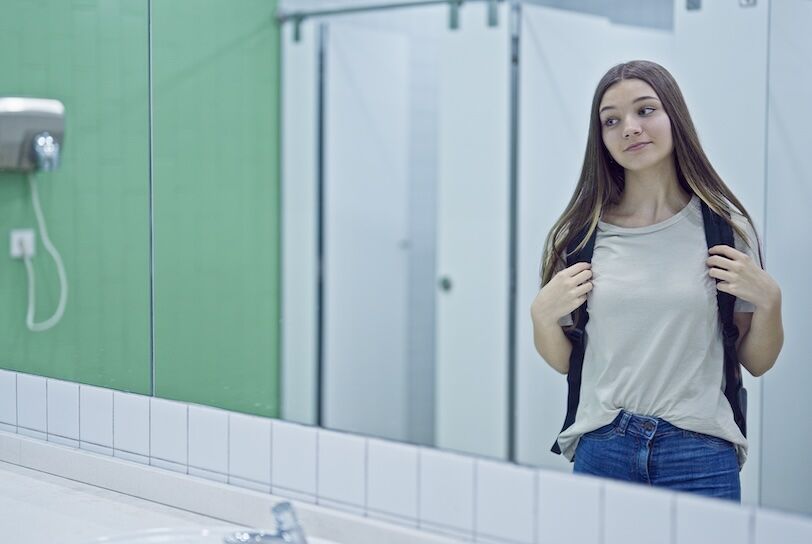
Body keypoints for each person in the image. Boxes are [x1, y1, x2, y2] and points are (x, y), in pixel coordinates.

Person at [529, 60, 784, 502]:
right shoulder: (579, 236)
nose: (630, 127)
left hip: (700, 453)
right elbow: (563, 361)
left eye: (645, 110)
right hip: (602, 447)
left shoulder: (725, 230)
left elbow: (757, 362)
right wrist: (541, 318)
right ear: (601, 138)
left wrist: (771, 301)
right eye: (611, 120)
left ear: (674, 118)